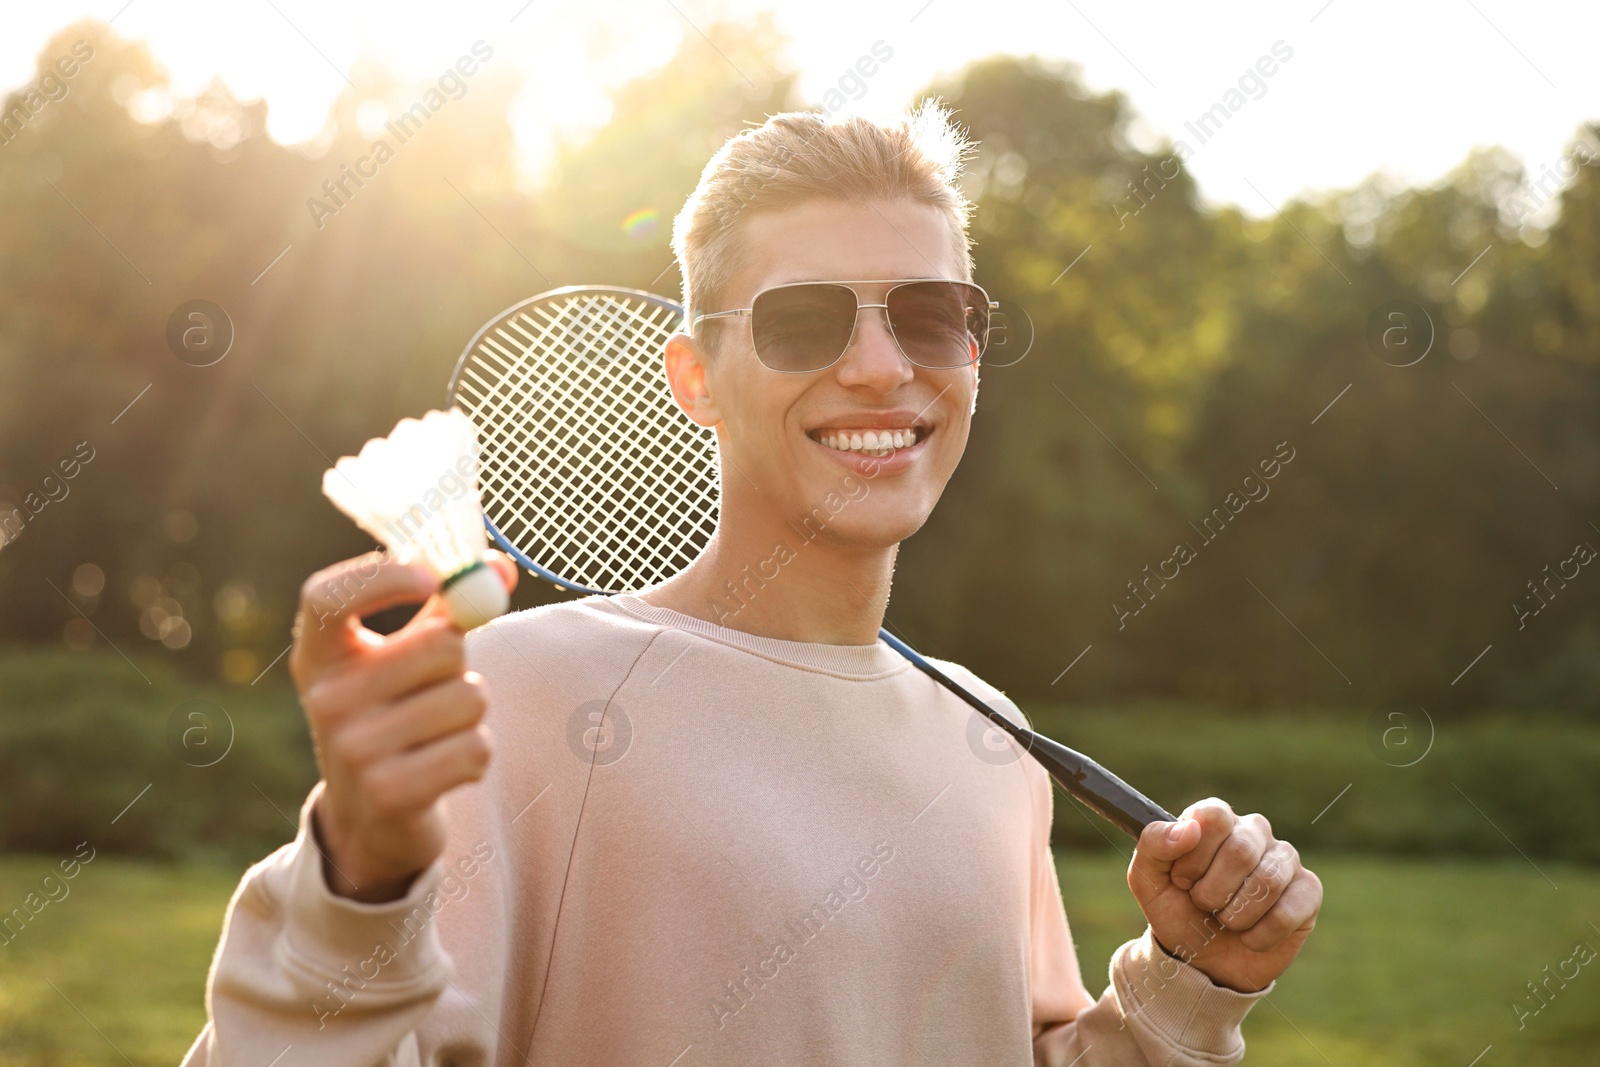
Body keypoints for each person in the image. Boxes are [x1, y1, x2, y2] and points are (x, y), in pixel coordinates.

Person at [183, 99, 1320, 1066]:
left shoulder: (995, 740)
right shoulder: (511, 696)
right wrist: (358, 881)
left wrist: (1183, 989)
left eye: (930, 314)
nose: (880, 365)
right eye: (803, 319)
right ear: (696, 377)